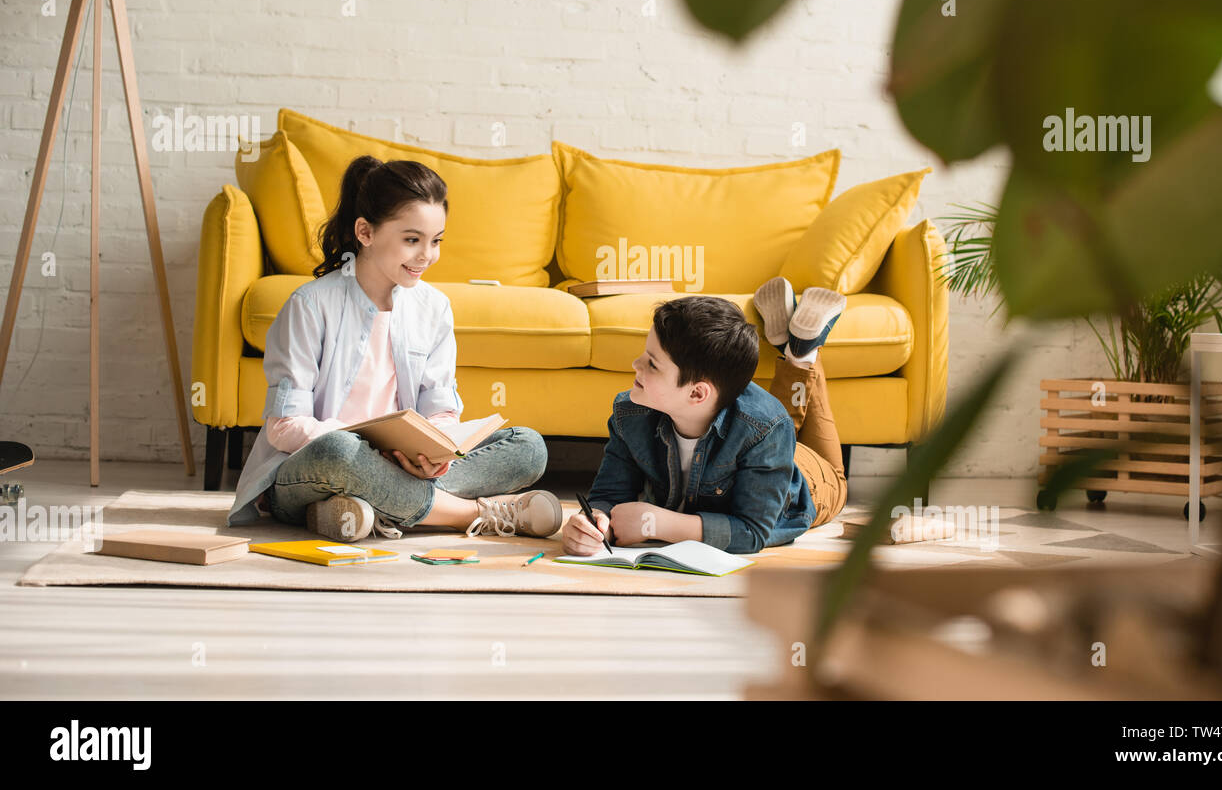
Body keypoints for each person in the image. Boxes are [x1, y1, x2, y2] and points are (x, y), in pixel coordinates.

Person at [226, 155, 562, 542]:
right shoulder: (310, 305)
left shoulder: (434, 309)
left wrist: (434, 456)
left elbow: (440, 412)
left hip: (405, 467)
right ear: (365, 233)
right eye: (411, 240)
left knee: (528, 447)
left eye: (435, 241)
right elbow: (283, 428)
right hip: (315, 468)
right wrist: (369, 454)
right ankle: (468, 514)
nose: (427, 256)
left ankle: (363, 510)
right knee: (338, 451)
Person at [561, 278, 849, 556]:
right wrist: (594, 523)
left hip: (810, 480)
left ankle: (804, 353)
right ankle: (797, 348)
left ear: (697, 394)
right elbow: (608, 496)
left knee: (829, 469)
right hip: (760, 441)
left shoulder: (767, 429)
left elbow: (753, 531)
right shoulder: (630, 413)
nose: (635, 365)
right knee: (774, 420)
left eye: (652, 364)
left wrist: (658, 523)